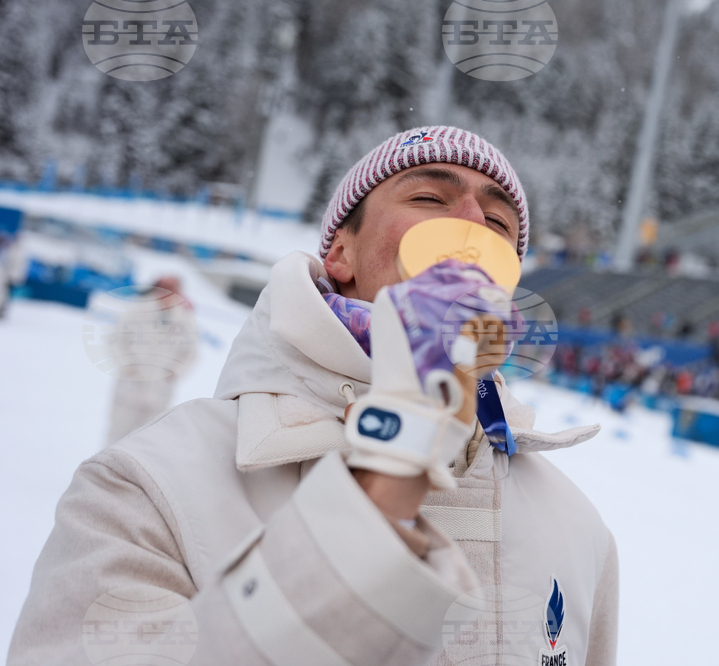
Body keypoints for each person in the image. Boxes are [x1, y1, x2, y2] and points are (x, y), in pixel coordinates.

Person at [9, 126, 618, 665]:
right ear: (340, 252)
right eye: (429, 198)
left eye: (498, 224)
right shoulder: (151, 484)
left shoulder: (580, 533)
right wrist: (377, 495)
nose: (469, 223)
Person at [102, 276, 198, 445]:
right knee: (116, 436)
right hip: (131, 385)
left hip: (159, 390)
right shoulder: (138, 309)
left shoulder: (185, 317)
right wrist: (127, 366)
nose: (168, 292)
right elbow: (115, 339)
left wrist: (175, 372)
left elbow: (191, 353)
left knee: (146, 440)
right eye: (165, 287)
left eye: (173, 288)